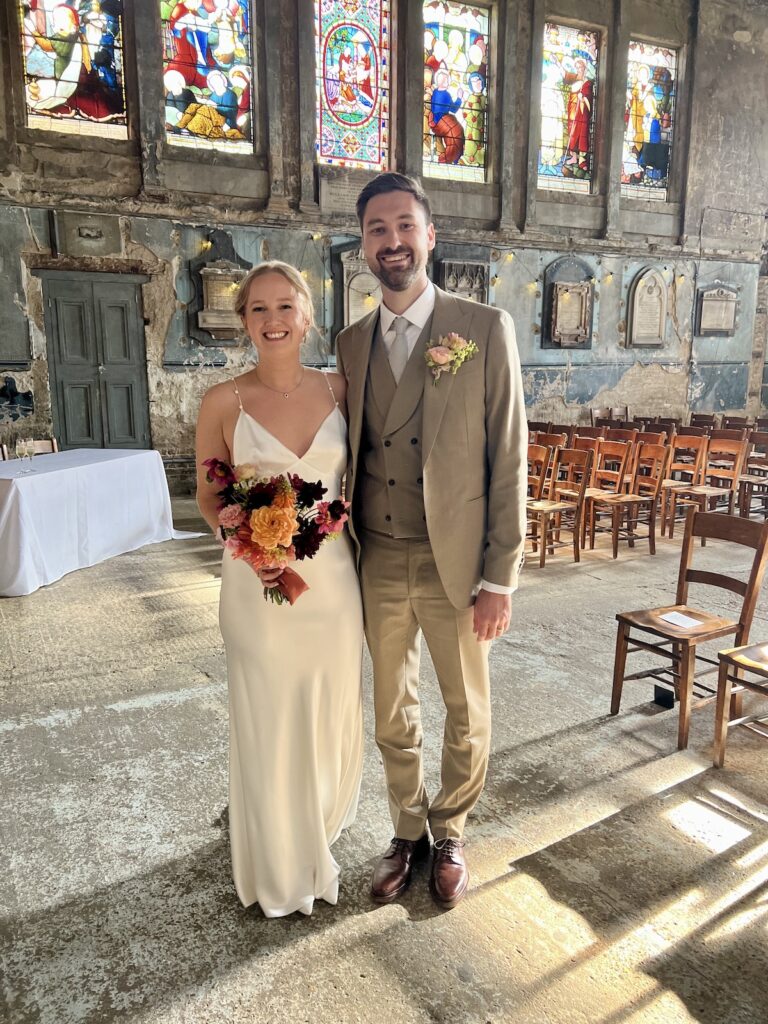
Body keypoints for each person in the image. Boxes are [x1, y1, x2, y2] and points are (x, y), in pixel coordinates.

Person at [335, 173, 527, 909]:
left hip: (458, 561)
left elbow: (508, 458)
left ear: (430, 235)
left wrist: (500, 576)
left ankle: (451, 829)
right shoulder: (352, 344)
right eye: (378, 229)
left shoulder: (481, 328)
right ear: (364, 244)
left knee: (465, 705)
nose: (393, 241)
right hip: (378, 555)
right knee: (392, 706)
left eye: (405, 226)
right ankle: (406, 828)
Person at [195, 261, 364, 917]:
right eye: (258, 310)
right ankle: (276, 859)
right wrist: (246, 545)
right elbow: (211, 496)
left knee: (326, 708)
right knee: (269, 714)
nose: (273, 321)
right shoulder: (222, 403)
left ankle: (319, 821)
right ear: (243, 321)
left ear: (307, 315)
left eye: (285, 307)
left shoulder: (342, 390)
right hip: (257, 588)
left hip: (333, 583)